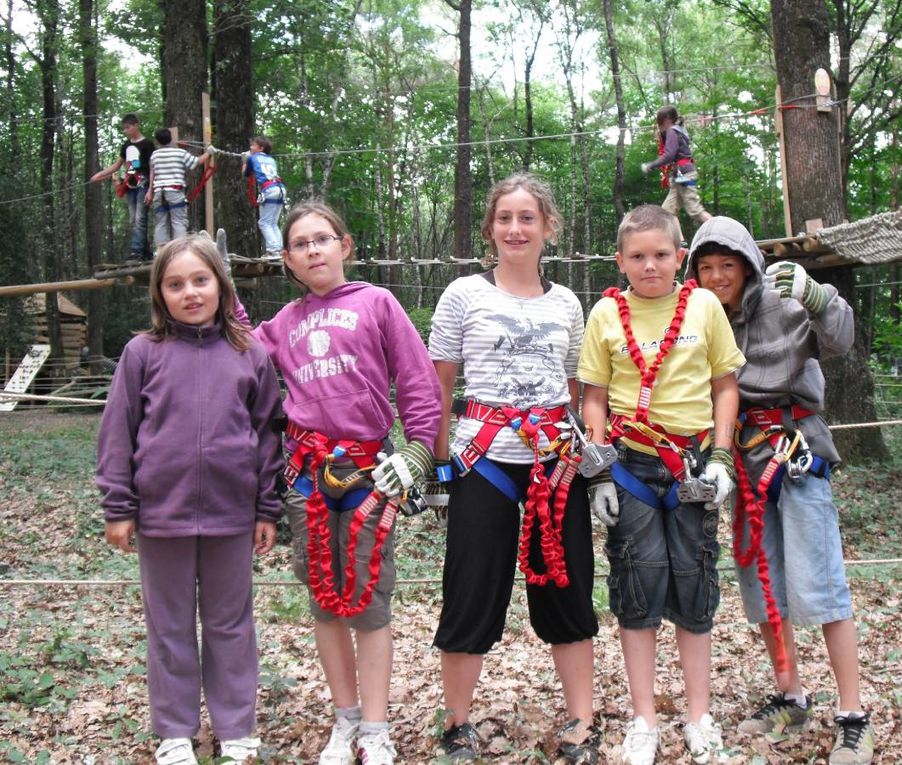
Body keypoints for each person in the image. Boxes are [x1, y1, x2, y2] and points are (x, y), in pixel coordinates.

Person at [239, 200, 441, 765]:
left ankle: (376, 726)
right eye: (301, 244)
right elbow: (236, 344)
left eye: (322, 239)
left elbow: (419, 383)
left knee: (370, 602)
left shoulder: (377, 303)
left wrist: (420, 451)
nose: (313, 250)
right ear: (289, 260)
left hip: (371, 474)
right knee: (326, 602)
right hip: (307, 478)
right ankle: (345, 717)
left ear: (344, 245)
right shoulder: (283, 323)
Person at [686, 216, 874, 765]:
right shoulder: (698, 317)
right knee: (762, 580)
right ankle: (791, 695)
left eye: (728, 265)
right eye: (707, 267)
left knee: (823, 582)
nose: (718, 276)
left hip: (797, 449)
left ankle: (853, 715)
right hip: (738, 456)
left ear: (748, 265)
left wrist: (819, 297)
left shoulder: (787, 301)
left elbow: (840, 340)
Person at [429, 173, 601, 763]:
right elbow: (440, 385)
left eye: (528, 217)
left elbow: (577, 391)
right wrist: (433, 462)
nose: (515, 228)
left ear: (547, 227)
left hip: (554, 462)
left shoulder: (567, 304)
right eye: (505, 218)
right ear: (490, 228)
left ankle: (582, 719)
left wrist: (593, 465)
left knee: (567, 581)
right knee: (472, 586)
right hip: (485, 461)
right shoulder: (463, 296)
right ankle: (456, 724)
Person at [95, 234, 284, 765]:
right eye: (176, 284)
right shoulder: (141, 354)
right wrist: (119, 506)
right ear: (161, 295)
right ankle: (175, 730)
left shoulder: (250, 354)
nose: (190, 293)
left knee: (230, 623)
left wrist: (266, 506)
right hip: (162, 515)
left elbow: (269, 433)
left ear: (221, 288)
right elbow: (117, 433)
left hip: (232, 514)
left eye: (200, 281)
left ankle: (236, 727)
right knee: (170, 624)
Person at [578, 204, 744, 765]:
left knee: (695, 583)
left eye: (662, 255)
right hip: (630, 465)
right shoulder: (605, 314)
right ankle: (643, 717)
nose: (650, 266)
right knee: (637, 586)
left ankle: (700, 714)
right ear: (620, 260)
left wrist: (722, 456)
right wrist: (598, 471)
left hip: (693, 463)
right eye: (638, 256)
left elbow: (725, 384)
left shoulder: (703, 306)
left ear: (680, 256)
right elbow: (594, 397)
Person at [89, 113, 154, 261]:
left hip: (143, 184)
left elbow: (152, 167)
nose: (125, 131)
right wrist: (100, 174)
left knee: (140, 218)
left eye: (128, 127)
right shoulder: (126, 146)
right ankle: (145, 252)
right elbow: (117, 165)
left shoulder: (147, 144)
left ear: (136, 125)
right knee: (133, 219)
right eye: (124, 128)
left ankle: (136, 251)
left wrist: (151, 189)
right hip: (130, 184)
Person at [640, 106, 712, 236]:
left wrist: (651, 165)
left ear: (667, 120)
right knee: (667, 212)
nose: (660, 125)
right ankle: (680, 242)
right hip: (680, 176)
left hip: (684, 175)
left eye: (660, 121)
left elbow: (669, 155)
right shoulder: (679, 130)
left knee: (695, 210)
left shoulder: (673, 131)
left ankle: (723, 230)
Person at [146, 128, 212, 247]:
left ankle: (162, 251)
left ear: (157, 141)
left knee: (161, 222)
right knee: (178, 222)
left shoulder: (154, 155)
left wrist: (150, 191)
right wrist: (209, 153)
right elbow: (196, 162)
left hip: (159, 192)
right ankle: (179, 249)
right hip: (174, 191)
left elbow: (153, 172)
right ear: (171, 138)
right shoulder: (179, 153)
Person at [242, 135, 287, 261]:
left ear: (260, 148)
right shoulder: (272, 159)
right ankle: (279, 249)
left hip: (269, 190)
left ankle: (273, 251)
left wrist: (245, 160)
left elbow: (245, 173)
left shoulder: (253, 157)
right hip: (280, 188)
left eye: (253, 145)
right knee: (272, 222)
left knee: (264, 222)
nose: (251, 147)